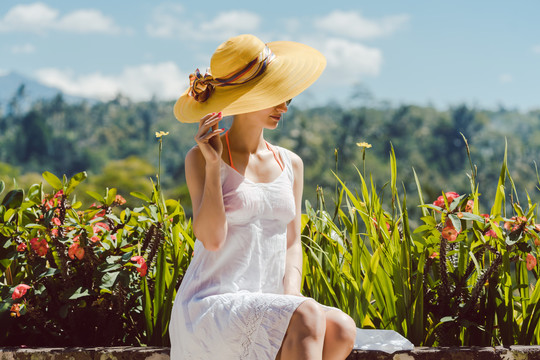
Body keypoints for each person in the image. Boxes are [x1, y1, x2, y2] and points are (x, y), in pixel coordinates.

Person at [169, 34, 357, 360]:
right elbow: (211, 240)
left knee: (340, 326)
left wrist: (292, 299)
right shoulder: (200, 159)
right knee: (307, 315)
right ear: (246, 99)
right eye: (274, 97)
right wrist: (214, 166)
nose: (283, 107)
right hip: (212, 302)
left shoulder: (291, 164)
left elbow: (292, 241)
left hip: (267, 301)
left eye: (287, 98)